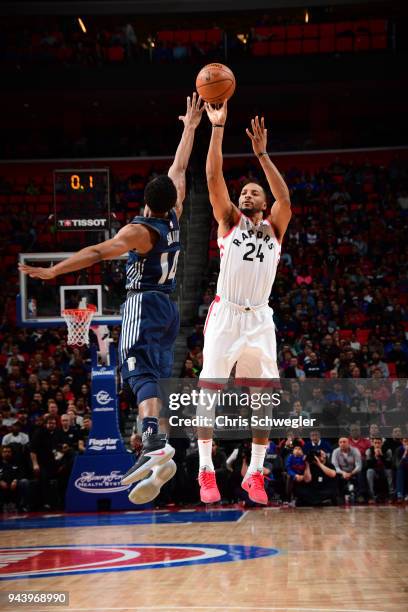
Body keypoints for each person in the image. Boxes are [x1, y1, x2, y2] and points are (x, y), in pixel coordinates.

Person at [19, 93, 204, 505]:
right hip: (168, 309)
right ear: (170, 200)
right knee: (150, 376)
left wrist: (54, 270)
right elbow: (180, 166)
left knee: (136, 372)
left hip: (144, 301)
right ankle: (156, 447)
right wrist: (190, 127)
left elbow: (97, 252)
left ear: (145, 201)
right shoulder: (174, 211)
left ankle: (153, 444)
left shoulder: (141, 231)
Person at [197, 102, 292, 504]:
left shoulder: (275, 226)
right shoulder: (229, 221)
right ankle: (206, 469)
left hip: (260, 318)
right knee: (209, 393)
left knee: (264, 399)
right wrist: (217, 129)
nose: (246, 194)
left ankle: (255, 473)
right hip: (226, 314)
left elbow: (285, 196)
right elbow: (213, 175)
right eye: (243, 192)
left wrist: (262, 155)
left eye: (253, 192)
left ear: (264, 203)